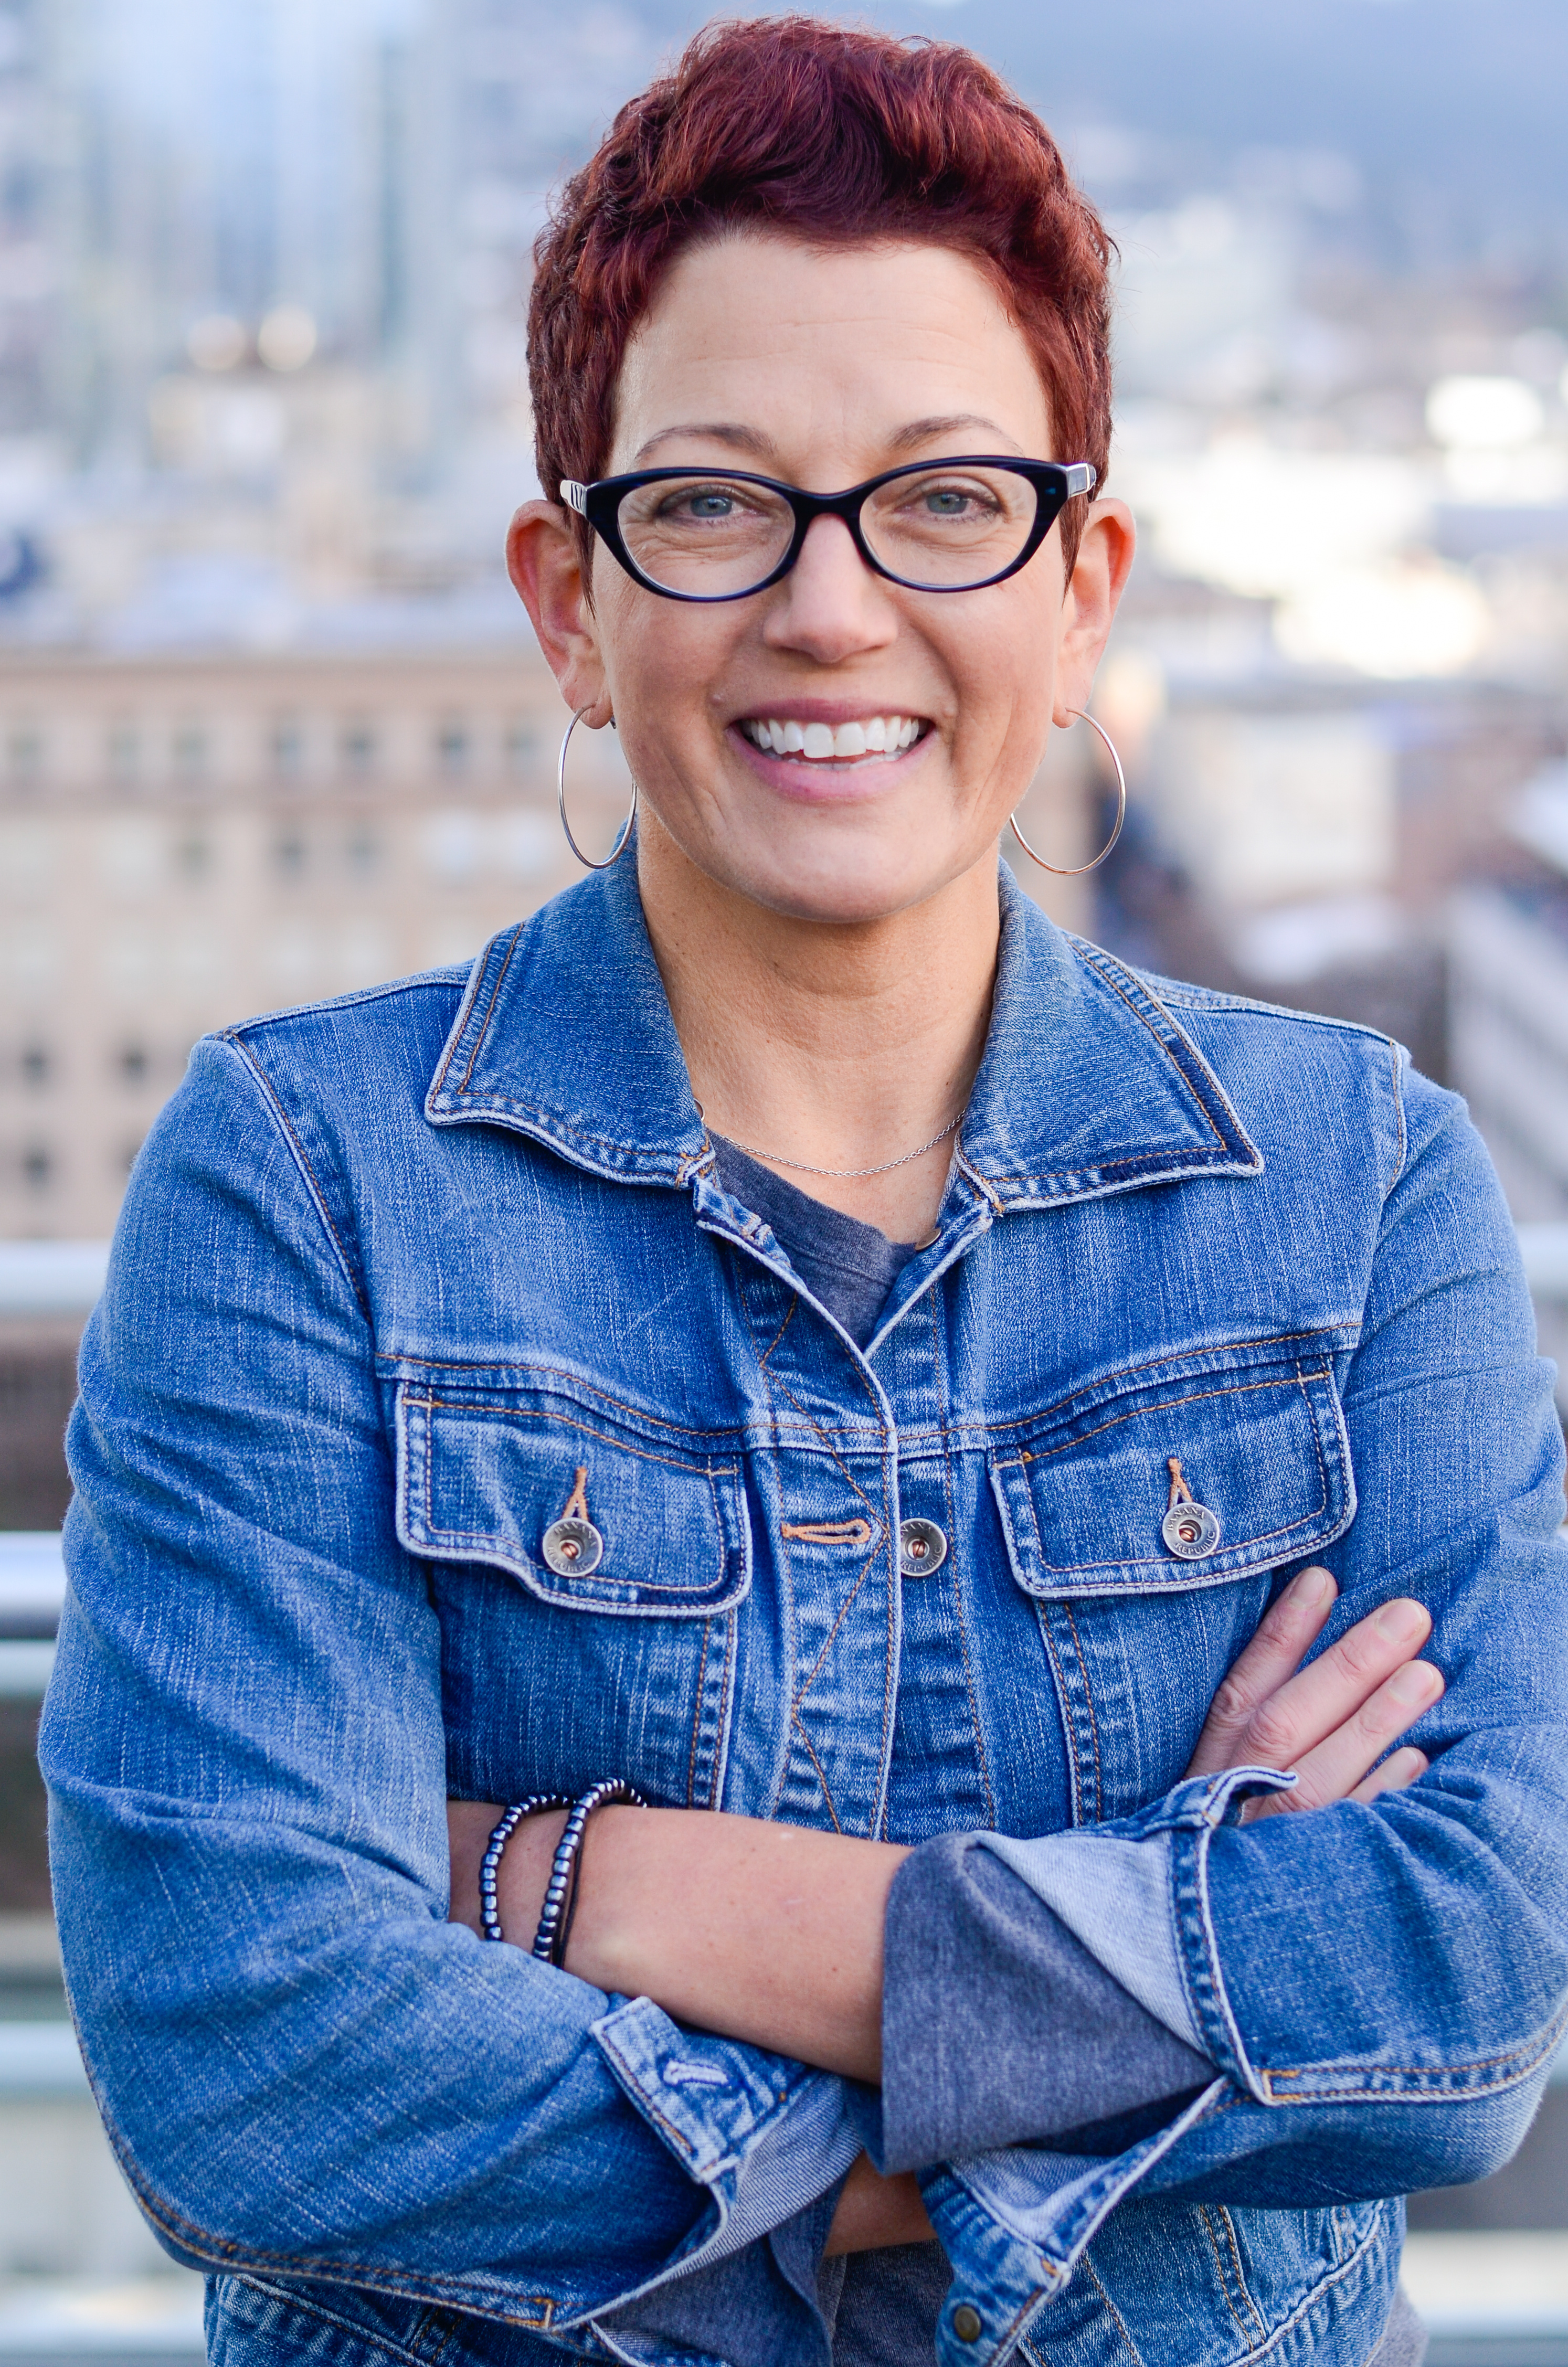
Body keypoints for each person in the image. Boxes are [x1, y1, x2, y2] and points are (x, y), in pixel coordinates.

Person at [42, 20, 1567, 2367]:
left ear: (1083, 597)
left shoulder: (1355, 1193)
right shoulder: (305, 1190)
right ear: (573, 603)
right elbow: (249, 2065)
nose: (834, 610)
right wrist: (1160, 1949)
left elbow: (1464, 1985)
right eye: (719, 504)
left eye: (948, 499)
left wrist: (580, 1886)